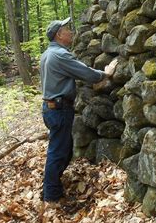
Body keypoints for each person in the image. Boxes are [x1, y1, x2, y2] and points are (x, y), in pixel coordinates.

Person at [40, 17, 117, 203]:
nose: (72, 32)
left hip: (52, 108)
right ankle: (51, 196)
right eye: (67, 29)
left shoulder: (47, 54)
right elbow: (86, 73)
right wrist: (106, 73)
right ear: (59, 34)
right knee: (58, 152)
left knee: (63, 150)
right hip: (58, 109)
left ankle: (53, 188)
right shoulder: (60, 55)